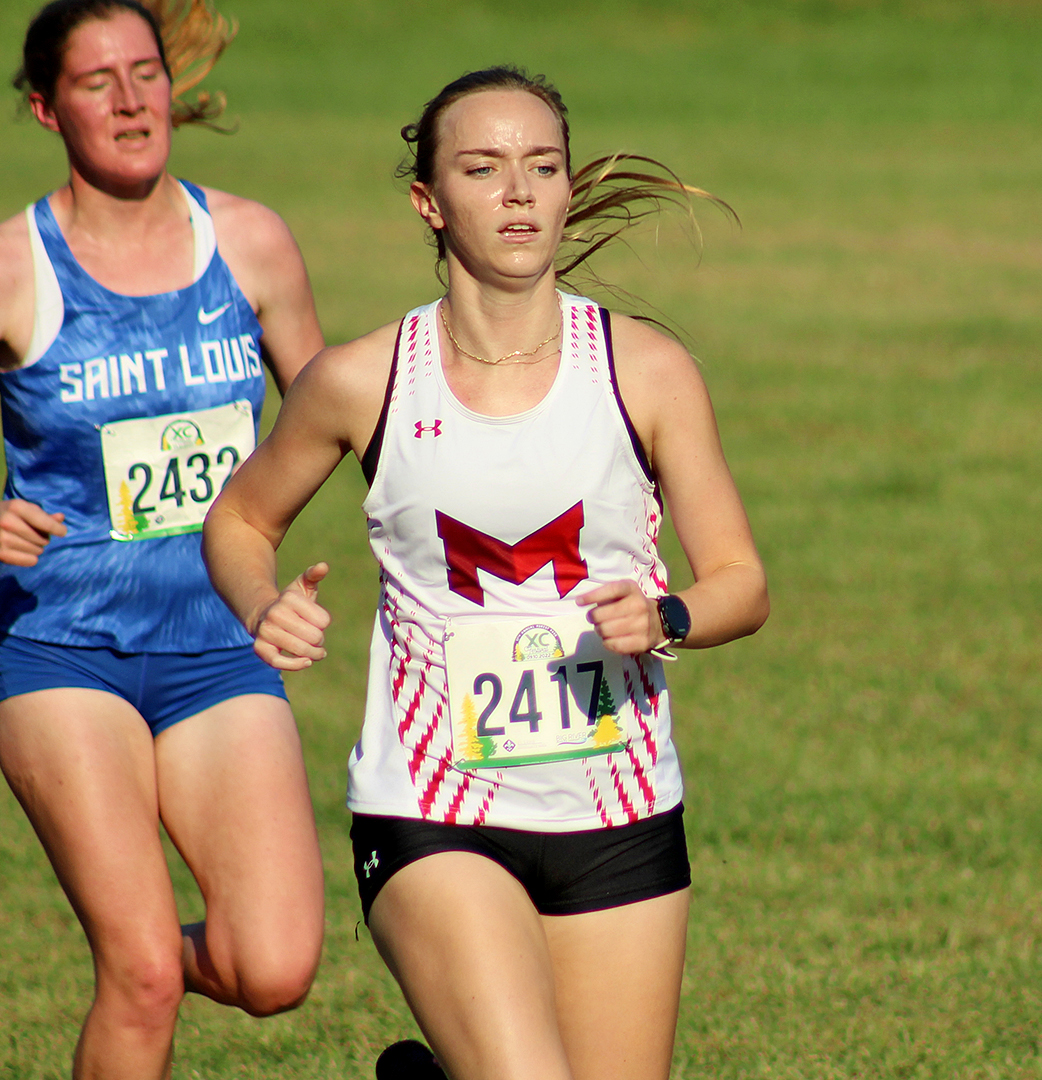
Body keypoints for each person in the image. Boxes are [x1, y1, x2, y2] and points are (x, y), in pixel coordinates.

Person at [202, 66, 770, 1080]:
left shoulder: (645, 369)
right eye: (484, 167)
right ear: (430, 201)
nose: (518, 192)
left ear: (565, 190)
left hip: (619, 812)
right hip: (435, 805)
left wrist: (668, 614)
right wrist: (261, 604)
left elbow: (741, 579)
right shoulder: (362, 377)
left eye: (542, 167)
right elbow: (242, 519)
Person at [0, 2, 325, 1076]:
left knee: (274, 968)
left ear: (173, 85)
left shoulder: (249, 241)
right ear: (44, 108)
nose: (128, 99)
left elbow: (330, 410)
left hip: (222, 647)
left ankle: (137, 972)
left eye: (145, 73)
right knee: (145, 973)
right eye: (94, 82)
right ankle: (136, 978)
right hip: (64, 650)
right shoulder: (4, 265)